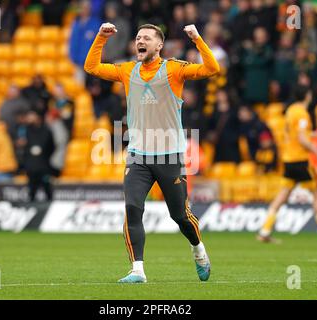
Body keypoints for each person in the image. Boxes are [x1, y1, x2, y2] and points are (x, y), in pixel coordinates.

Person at [84, 22, 220, 283]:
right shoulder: (127, 70)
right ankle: (138, 270)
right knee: (133, 207)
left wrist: (197, 39)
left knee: (179, 215)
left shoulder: (173, 69)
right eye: (137, 38)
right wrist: (101, 37)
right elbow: (91, 67)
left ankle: (198, 249)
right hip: (138, 155)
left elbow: (212, 68)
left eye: (146, 38)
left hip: (170, 155)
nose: (140, 41)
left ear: (159, 45)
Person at [257, 86, 317, 244]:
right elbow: (302, 139)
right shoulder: (302, 114)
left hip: (288, 159)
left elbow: (298, 134)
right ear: (308, 96)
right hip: (301, 160)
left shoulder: (291, 110)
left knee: (283, 195)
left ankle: (264, 231)